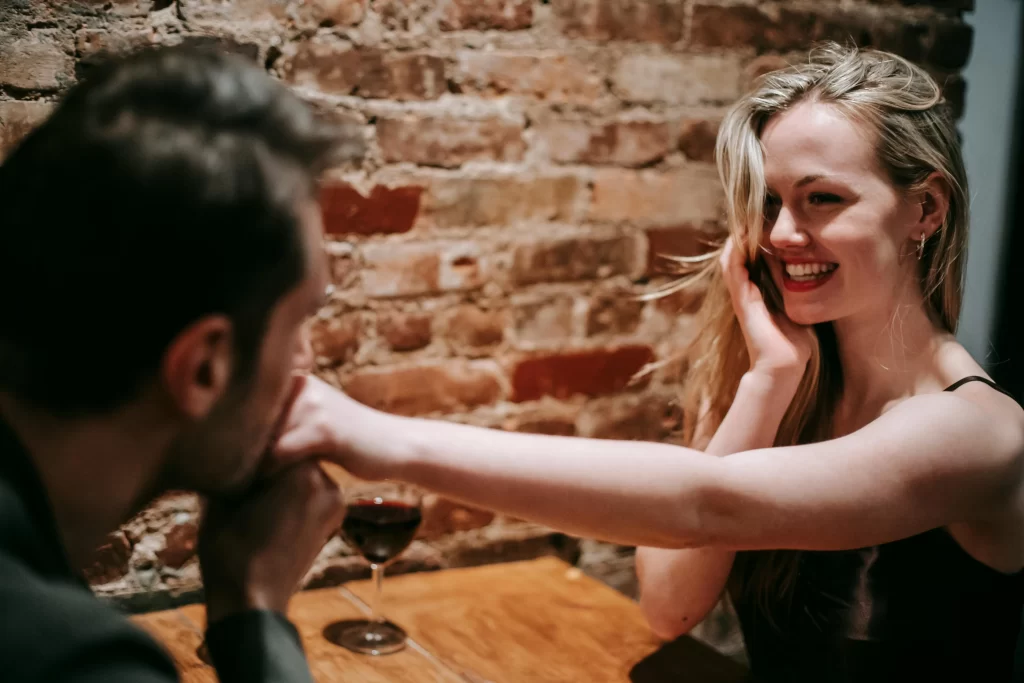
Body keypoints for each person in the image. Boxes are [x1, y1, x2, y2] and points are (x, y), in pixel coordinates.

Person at [275, 44, 1024, 681]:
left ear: (925, 209)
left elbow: (703, 503)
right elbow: (670, 604)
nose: (781, 234)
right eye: (767, 203)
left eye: (821, 198)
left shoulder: (977, 433)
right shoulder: (783, 379)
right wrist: (767, 383)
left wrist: (380, 437)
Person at [0, 47, 345, 682]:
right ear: (204, 368)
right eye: (299, 323)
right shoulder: (75, 663)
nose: (307, 362)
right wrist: (255, 614)